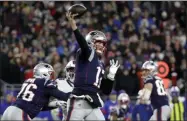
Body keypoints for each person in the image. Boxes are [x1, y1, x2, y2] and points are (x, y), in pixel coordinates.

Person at [65, 11, 120, 121]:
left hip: (92, 102)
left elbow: (106, 91)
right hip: (79, 100)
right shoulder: (88, 53)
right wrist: (73, 25)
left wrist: (111, 76)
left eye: (102, 43)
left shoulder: (100, 63)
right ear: (90, 42)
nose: (101, 45)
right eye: (98, 42)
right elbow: (82, 43)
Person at [1, 63, 70, 120]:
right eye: (50, 74)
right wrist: (75, 93)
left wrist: (55, 105)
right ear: (44, 73)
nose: (51, 77)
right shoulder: (45, 82)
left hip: (9, 110)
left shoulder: (27, 81)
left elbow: (39, 105)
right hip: (21, 113)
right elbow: (63, 96)